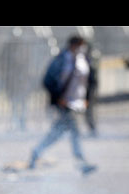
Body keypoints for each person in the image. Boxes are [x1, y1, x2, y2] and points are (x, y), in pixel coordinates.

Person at [28, 35, 97, 176]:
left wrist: (86, 98)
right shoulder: (61, 60)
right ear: (73, 45)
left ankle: (36, 152)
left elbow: (89, 80)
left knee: (57, 132)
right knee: (73, 131)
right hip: (64, 103)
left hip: (75, 103)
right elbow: (47, 80)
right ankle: (81, 162)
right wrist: (58, 97)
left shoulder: (83, 59)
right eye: (80, 45)